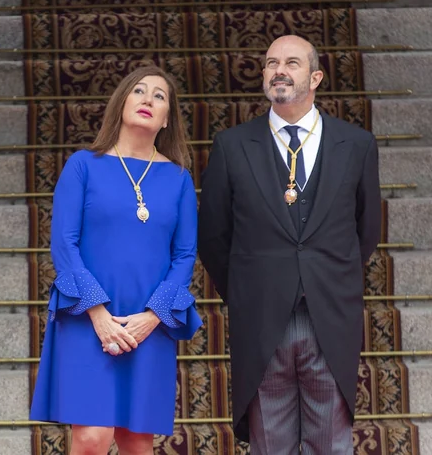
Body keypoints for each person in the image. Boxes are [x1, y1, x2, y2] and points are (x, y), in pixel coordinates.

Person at [198, 35, 382, 454]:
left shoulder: (356, 145)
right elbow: (213, 235)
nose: (279, 70)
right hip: (261, 317)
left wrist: (329, 279)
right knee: (270, 442)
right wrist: (247, 291)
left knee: (331, 442)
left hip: (329, 315)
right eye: (270, 63)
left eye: (292, 63)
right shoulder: (231, 146)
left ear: (315, 77)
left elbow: (366, 230)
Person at [30, 66, 203, 454]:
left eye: (159, 96)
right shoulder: (83, 165)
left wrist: (153, 316)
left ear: (167, 119)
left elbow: (184, 255)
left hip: (147, 321)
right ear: (121, 103)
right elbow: (65, 244)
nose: (147, 99)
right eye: (139, 91)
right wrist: (98, 314)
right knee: (92, 437)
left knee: (136, 441)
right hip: (87, 317)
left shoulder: (178, 179)